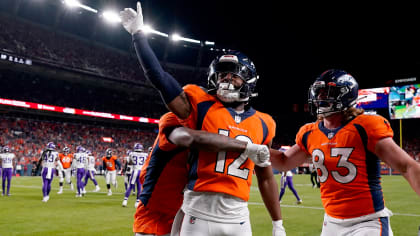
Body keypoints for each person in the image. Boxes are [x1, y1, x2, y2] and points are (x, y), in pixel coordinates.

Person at [120, 3, 285, 235]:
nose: (226, 79)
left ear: (249, 80)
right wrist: (139, 35)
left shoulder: (264, 122)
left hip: (237, 215)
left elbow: (266, 173)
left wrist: (278, 223)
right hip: (188, 210)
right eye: (222, 74)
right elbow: (160, 80)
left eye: (233, 75)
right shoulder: (199, 105)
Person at [269, 69, 420, 235]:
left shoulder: (365, 127)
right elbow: (283, 162)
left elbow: (407, 166)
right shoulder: (310, 132)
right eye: (318, 92)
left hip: (368, 222)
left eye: (327, 92)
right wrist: (251, 148)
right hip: (331, 223)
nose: (320, 98)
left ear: (346, 96)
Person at [134, 112, 273, 236]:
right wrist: (247, 146)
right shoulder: (175, 120)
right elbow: (190, 138)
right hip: (156, 209)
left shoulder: (208, 124)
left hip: (185, 208)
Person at [122, 143, 148, 208]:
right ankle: (137, 202)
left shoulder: (131, 154)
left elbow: (130, 162)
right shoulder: (145, 155)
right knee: (139, 187)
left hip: (135, 171)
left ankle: (125, 201)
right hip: (141, 172)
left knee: (130, 186)